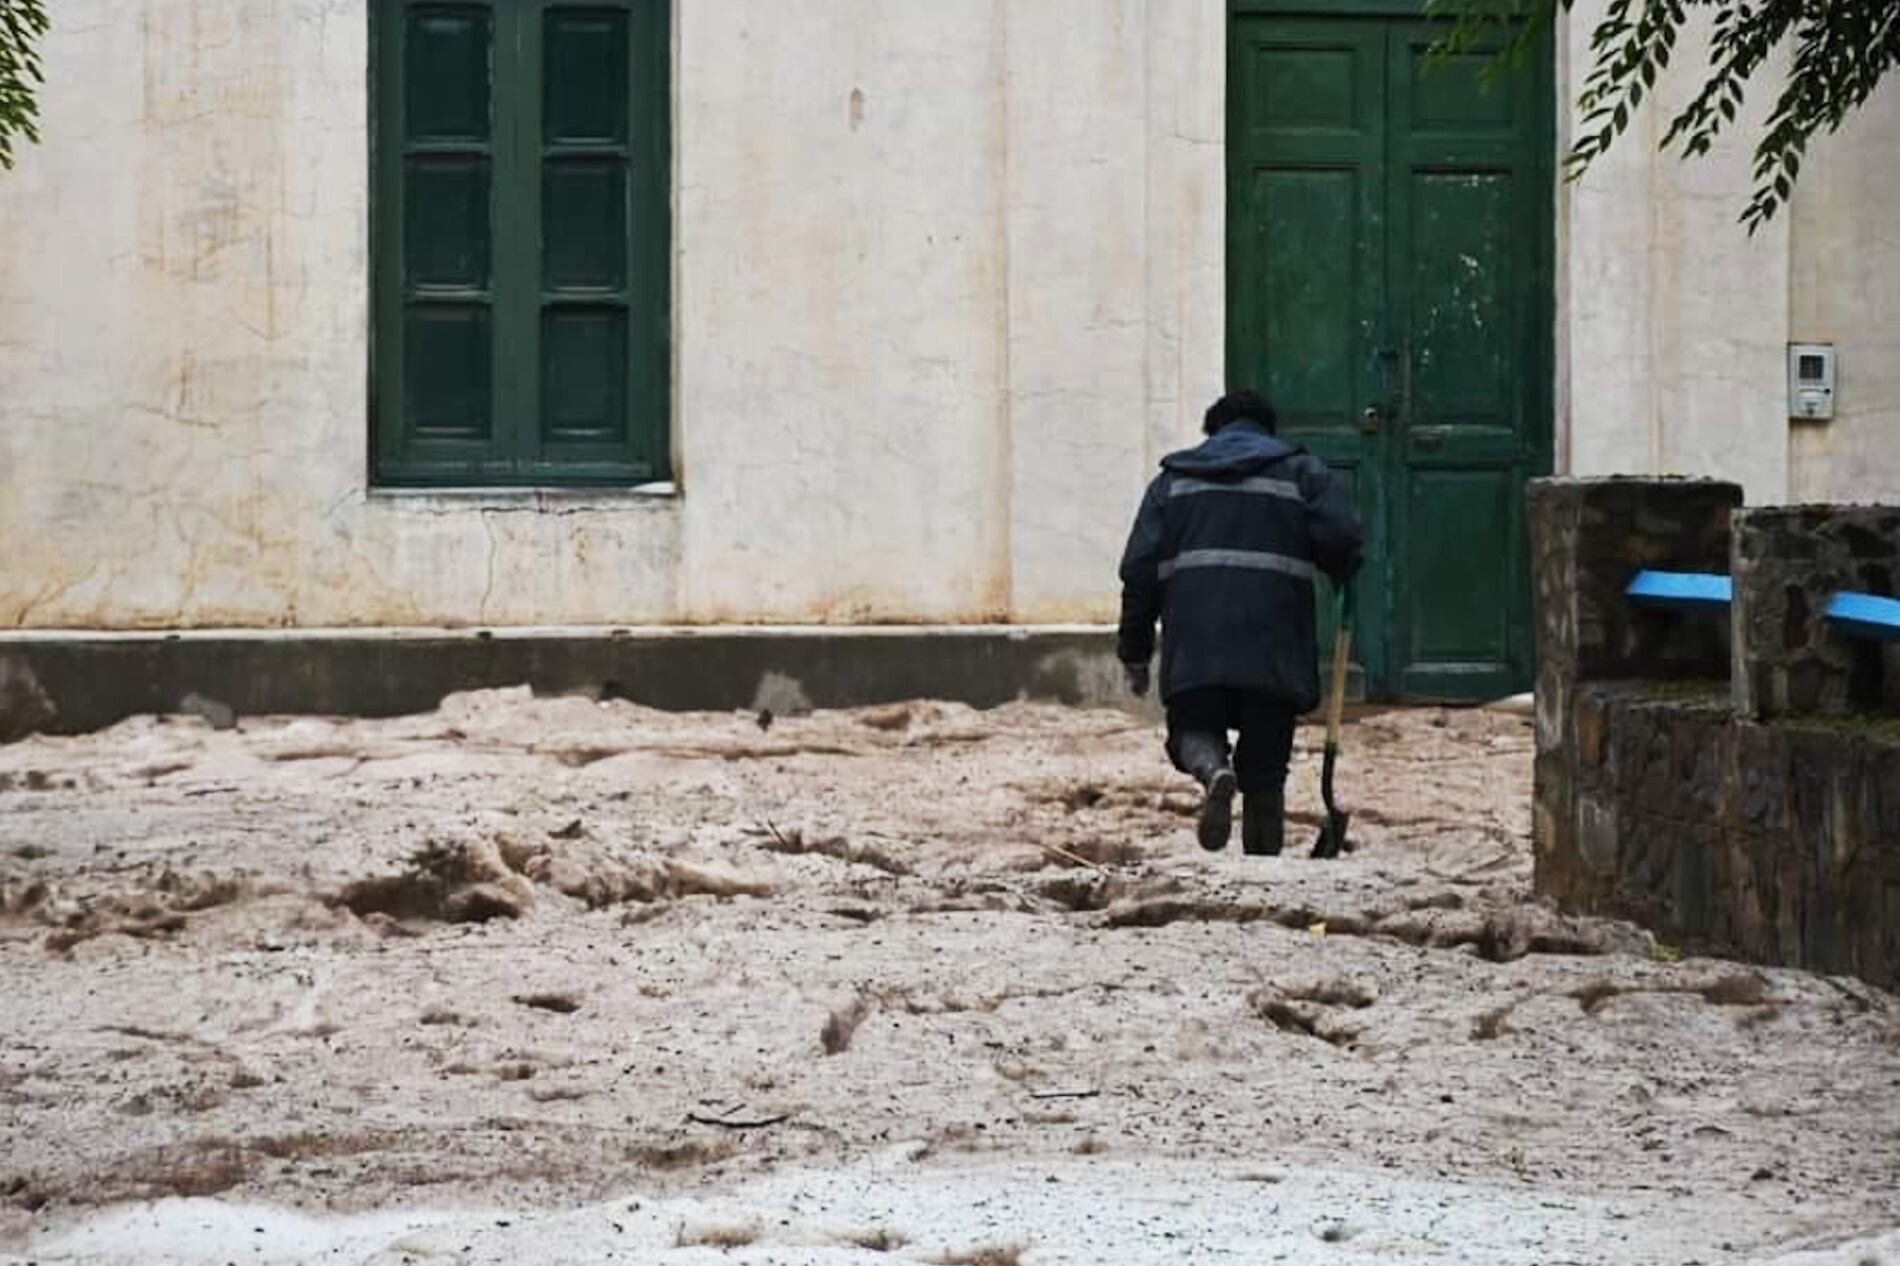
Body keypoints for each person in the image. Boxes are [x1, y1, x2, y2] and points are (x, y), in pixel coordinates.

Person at [1116, 389, 1363, 855]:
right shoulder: (1301, 473)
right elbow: (1344, 538)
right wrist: (1342, 565)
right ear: (1268, 431)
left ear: (1212, 432)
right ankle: (1263, 875)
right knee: (1266, 767)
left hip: (1195, 641)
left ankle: (1212, 770)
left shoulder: (1172, 483)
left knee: (1191, 727)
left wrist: (1135, 650)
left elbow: (1139, 571)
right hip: (1275, 642)